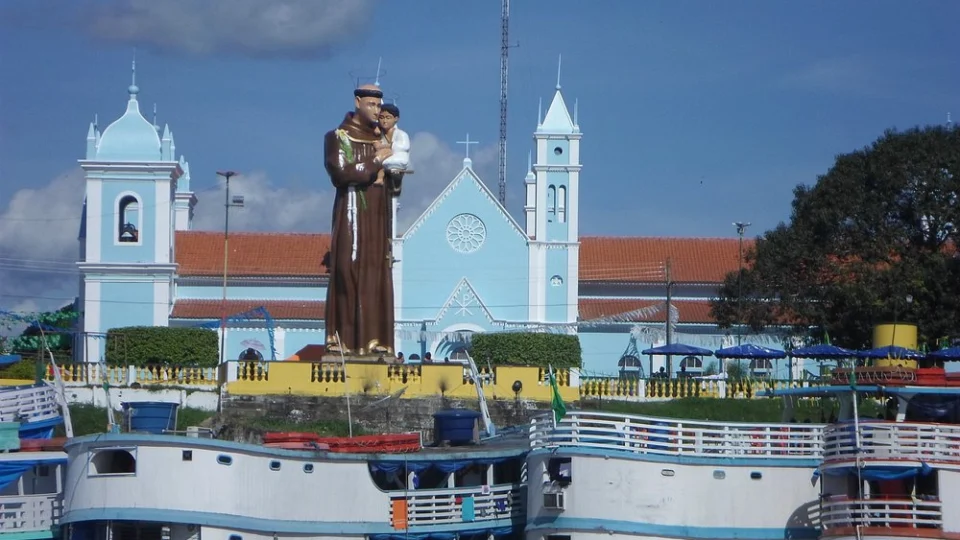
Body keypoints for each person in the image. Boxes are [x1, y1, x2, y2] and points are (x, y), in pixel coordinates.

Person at [323, 83, 397, 356]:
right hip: (351, 211)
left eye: (379, 106)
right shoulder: (338, 137)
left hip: (377, 215)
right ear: (357, 102)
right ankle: (342, 340)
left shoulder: (384, 139)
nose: (377, 111)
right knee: (348, 267)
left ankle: (375, 342)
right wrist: (377, 160)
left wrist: (392, 170)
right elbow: (341, 174)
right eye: (371, 105)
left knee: (376, 272)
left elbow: (394, 182)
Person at [378, 103, 411, 173]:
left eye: (388, 118)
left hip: (398, 158)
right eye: (381, 117)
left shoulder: (401, 134)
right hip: (384, 158)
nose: (384, 121)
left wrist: (390, 146)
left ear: (396, 119)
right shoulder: (379, 134)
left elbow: (405, 146)